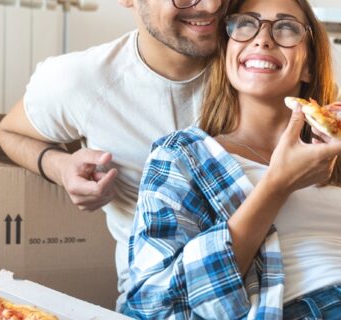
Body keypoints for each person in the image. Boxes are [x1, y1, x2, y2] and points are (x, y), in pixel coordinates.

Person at [0, 0, 230, 309]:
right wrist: (61, 166)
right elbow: (10, 132)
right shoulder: (82, 80)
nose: (213, 5)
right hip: (160, 298)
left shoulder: (256, 64)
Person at [126, 0, 341, 318]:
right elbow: (157, 305)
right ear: (226, 54)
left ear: (309, 63)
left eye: (286, 27)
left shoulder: (333, 147)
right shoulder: (183, 157)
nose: (263, 39)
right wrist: (277, 185)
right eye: (245, 24)